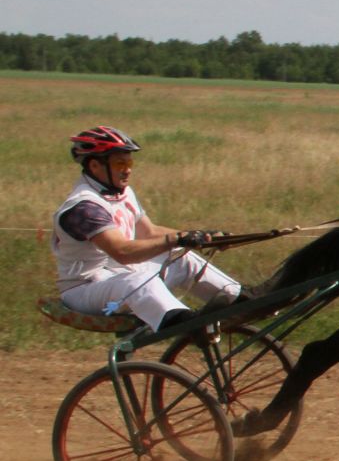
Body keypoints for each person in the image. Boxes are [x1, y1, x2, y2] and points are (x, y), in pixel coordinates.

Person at [51, 126, 245, 332]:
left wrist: (200, 236)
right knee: (137, 279)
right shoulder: (84, 207)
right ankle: (183, 322)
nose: (127, 169)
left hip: (117, 278)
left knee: (179, 255)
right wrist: (177, 238)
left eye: (129, 162)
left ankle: (240, 300)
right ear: (95, 165)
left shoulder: (121, 193)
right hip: (85, 290)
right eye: (119, 163)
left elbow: (150, 233)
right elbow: (122, 252)